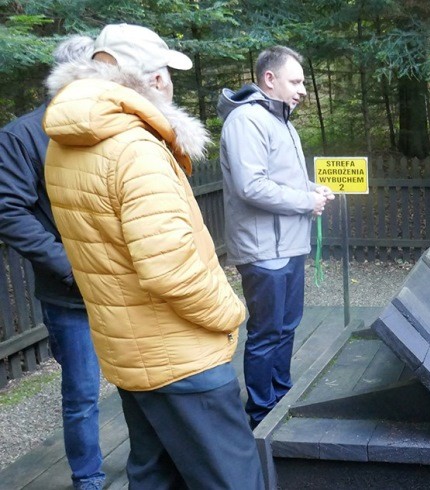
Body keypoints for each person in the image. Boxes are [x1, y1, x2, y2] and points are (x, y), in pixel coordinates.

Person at [43, 23, 263, 488]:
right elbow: (171, 271)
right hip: (183, 357)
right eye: (166, 72)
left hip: (131, 353)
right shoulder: (135, 148)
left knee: (154, 474)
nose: (169, 83)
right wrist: (231, 312)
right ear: (153, 80)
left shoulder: (66, 143)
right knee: (234, 478)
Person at [0, 36, 105, 490]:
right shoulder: (23, 135)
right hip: (72, 295)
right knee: (82, 394)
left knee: (147, 381)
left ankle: (150, 463)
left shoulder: (109, 125)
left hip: (127, 287)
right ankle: (89, 478)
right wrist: (70, 267)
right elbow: (8, 210)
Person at [218, 46, 334, 429]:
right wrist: (305, 201)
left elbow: (281, 180)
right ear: (270, 79)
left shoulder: (282, 120)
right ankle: (262, 413)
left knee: (288, 326)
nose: (302, 90)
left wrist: (312, 189)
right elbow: (251, 186)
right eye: (296, 81)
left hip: (289, 243)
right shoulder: (246, 121)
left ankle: (282, 398)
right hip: (263, 248)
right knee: (267, 333)